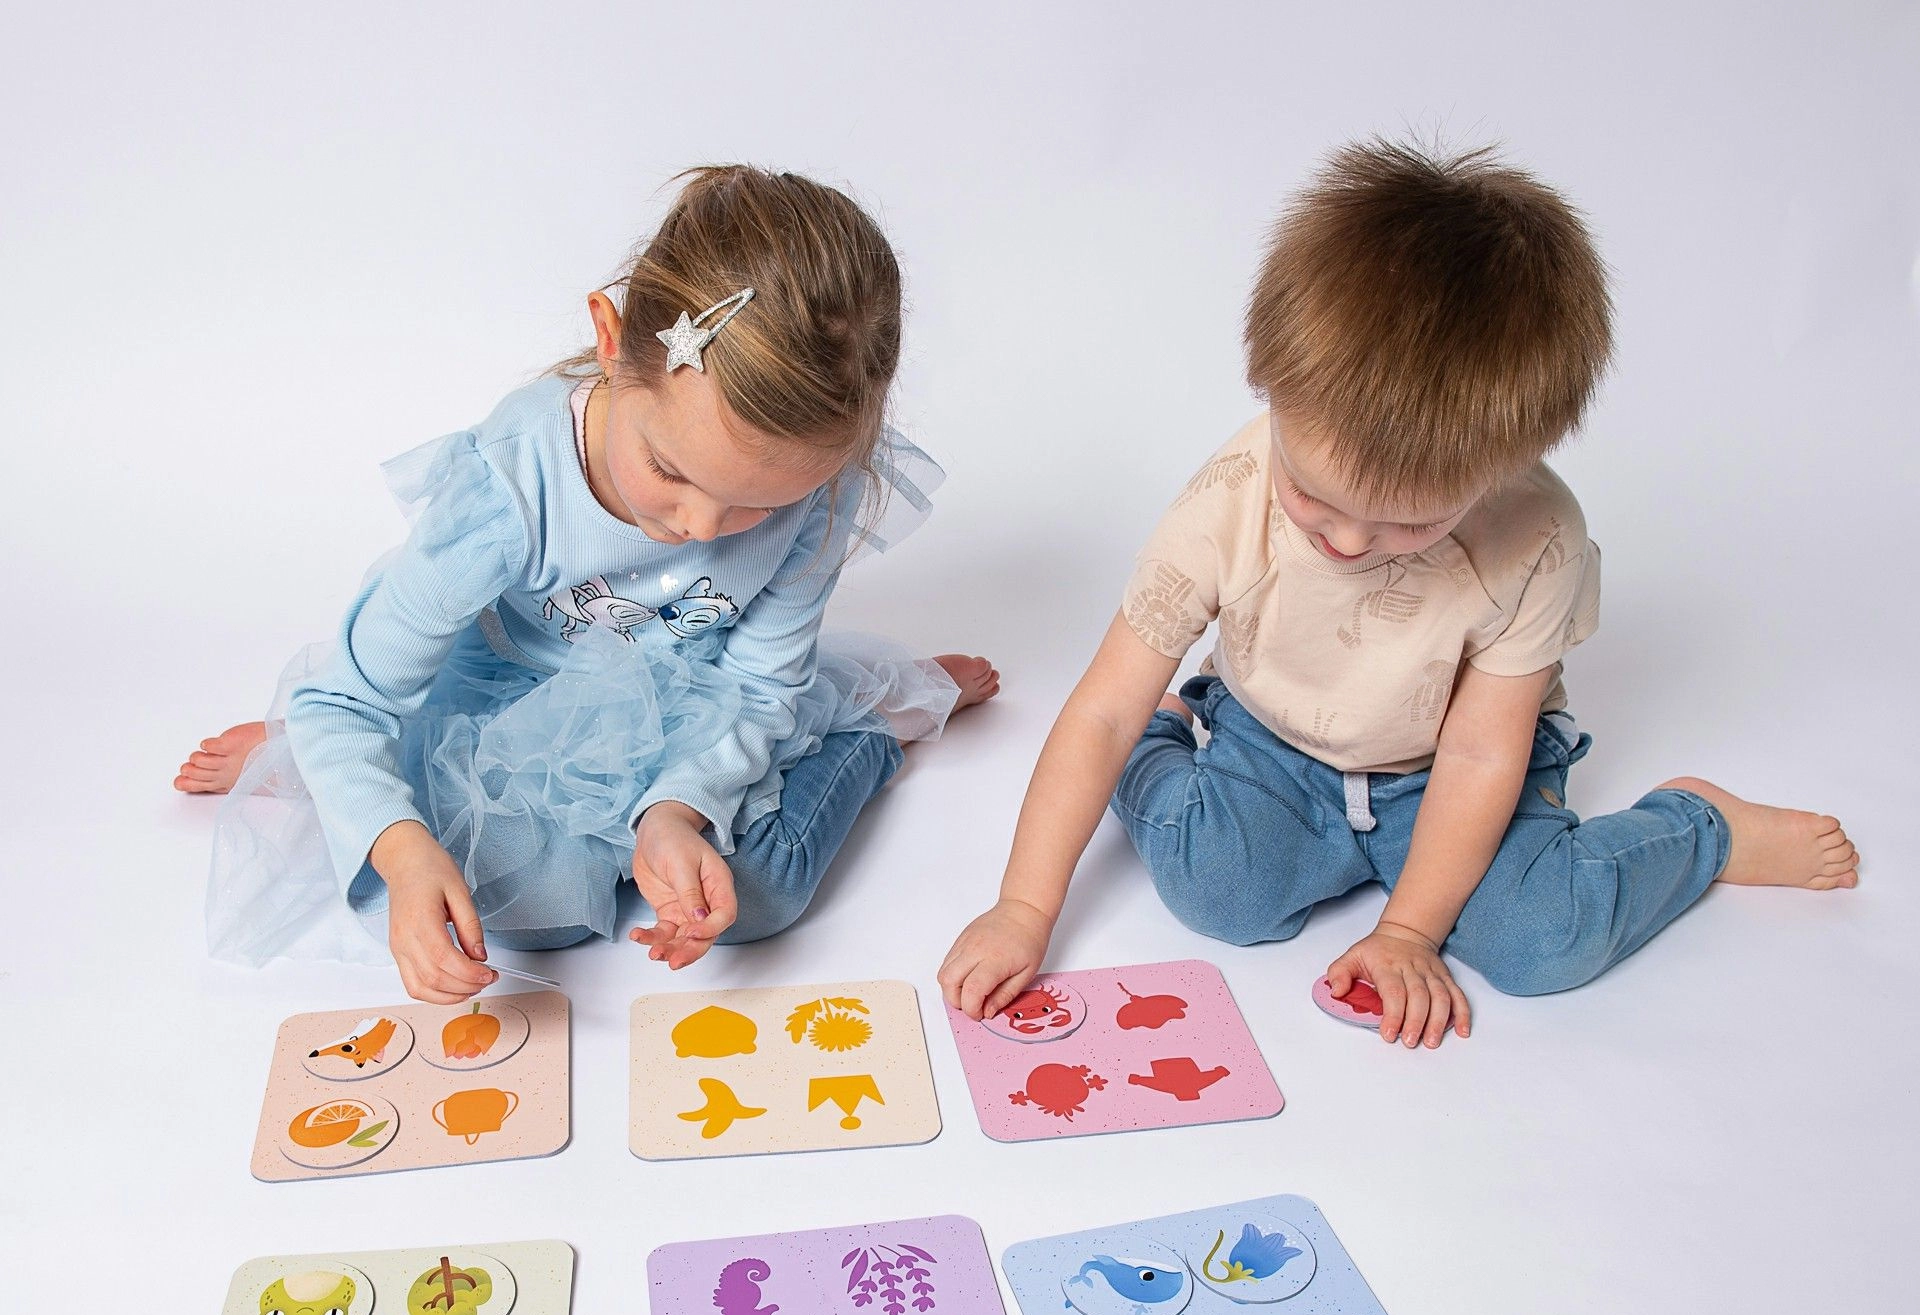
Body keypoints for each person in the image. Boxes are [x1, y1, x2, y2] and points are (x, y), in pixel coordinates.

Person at [940, 139, 1855, 1048]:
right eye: (1312, 496)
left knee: (1543, 940)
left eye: (1409, 525)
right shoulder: (1228, 498)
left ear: (1502, 468)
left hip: (1447, 769)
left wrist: (1410, 930)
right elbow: (1101, 710)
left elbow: (1481, 753)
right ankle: (1167, 731)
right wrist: (1024, 908)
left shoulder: (1538, 537)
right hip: (1277, 739)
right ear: (1269, 387)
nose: (1346, 543)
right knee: (1219, 894)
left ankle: (1700, 829)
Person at [177, 165, 997, 1003]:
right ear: (612, 341)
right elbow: (347, 699)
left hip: (702, 698)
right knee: (512, 899)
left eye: (757, 504)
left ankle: (871, 728)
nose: (701, 528)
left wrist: (674, 813)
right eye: (669, 470)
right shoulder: (511, 485)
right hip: (520, 699)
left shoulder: (818, 489)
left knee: (760, 892)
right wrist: (402, 848)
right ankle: (311, 762)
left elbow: (758, 686)